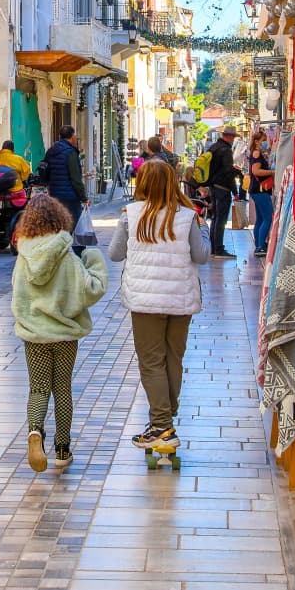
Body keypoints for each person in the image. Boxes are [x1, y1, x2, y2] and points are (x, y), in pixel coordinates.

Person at [109, 158, 206, 447]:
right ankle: (164, 421)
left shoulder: (131, 214)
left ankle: (162, 426)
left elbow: (114, 254)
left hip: (145, 301)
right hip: (180, 299)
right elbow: (201, 256)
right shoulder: (188, 215)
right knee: (173, 358)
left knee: (151, 362)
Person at [11, 193, 108, 474]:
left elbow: (17, 293)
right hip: (64, 334)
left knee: (39, 388)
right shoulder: (67, 255)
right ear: (60, 219)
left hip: (34, 334)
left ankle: (34, 432)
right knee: (62, 388)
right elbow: (91, 289)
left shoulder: (24, 255)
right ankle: (63, 450)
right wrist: (92, 257)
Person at [202, 125, 241, 259]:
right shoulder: (225, 150)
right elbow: (227, 173)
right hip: (222, 188)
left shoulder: (214, 147)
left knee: (215, 217)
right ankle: (219, 249)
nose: (233, 140)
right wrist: (235, 190)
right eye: (233, 137)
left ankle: (214, 247)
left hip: (213, 186)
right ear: (229, 137)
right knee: (221, 219)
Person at [42, 125, 88, 228]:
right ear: (72, 137)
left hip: (54, 195)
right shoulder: (71, 153)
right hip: (70, 197)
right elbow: (76, 179)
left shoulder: (51, 151)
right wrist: (83, 197)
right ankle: (76, 244)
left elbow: (46, 171)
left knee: (59, 226)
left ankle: (62, 243)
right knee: (77, 227)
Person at [246, 128, 276, 258]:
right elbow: (256, 171)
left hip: (256, 190)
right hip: (260, 190)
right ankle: (260, 247)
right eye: (264, 140)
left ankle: (259, 245)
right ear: (257, 141)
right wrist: (272, 172)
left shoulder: (254, 152)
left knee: (260, 219)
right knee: (267, 218)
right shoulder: (257, 153)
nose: (266, 142)